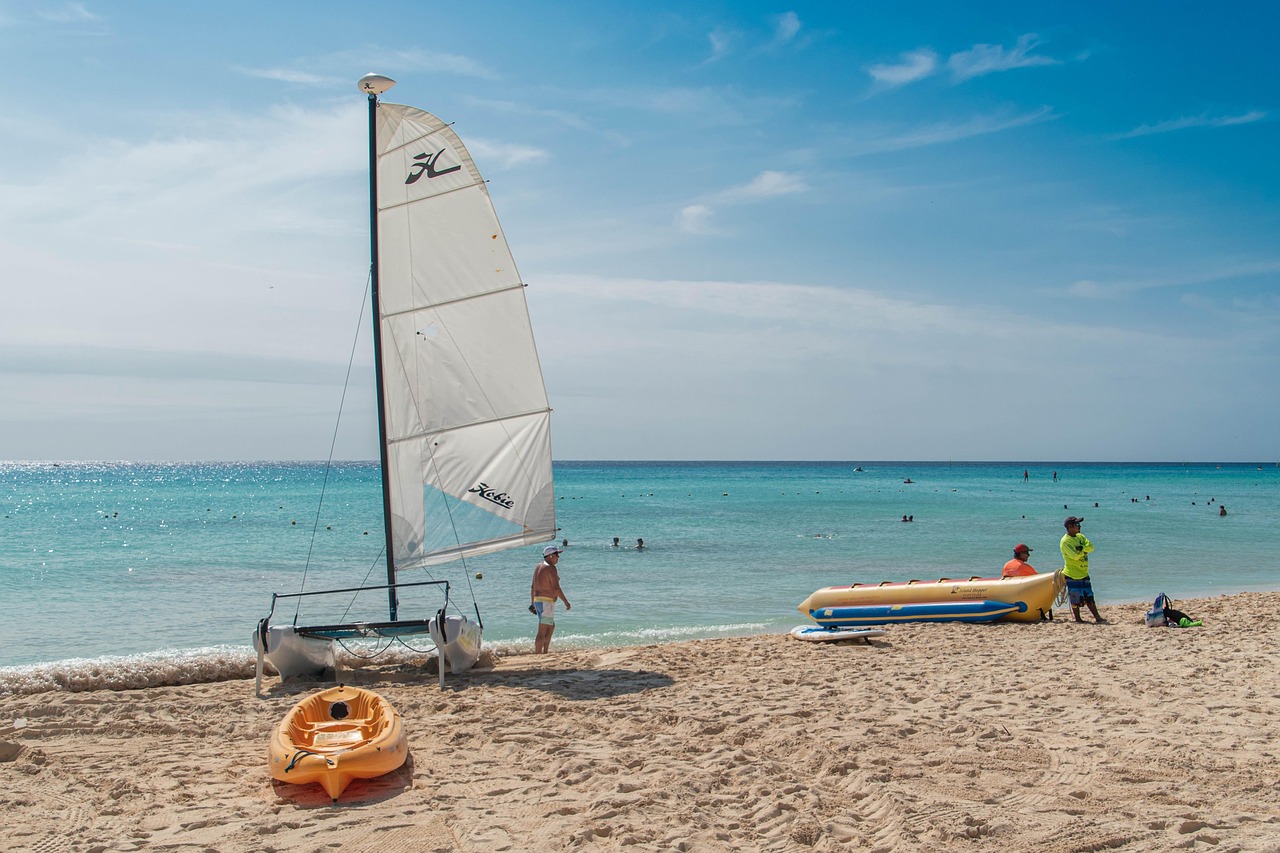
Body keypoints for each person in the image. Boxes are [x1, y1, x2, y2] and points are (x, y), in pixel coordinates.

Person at [1060, 516, 1104, 623]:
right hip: (1072, 574)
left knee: (1089, 596)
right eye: (1077, 524)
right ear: (1070, 526)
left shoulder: (1080, 536)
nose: (1080, 526)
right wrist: (1084, 551)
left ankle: (1097, 617)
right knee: (1075, 598)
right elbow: (1074, 556)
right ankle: (1078, 619)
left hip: (1084, 573)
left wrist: (1081, 549)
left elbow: (1091, 547)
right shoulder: (1065, 541)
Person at [530, 545, 570, 654]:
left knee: (550, 626)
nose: (558, 557)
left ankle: (545, 652)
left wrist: (532, 603)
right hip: (546, 602)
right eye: (557, 555)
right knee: (542, 630)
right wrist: (566, 602)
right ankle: (538, 654)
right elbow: (556, 588)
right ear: (550, 556)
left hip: (538, 601)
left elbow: (533, 587)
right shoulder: (551, 568)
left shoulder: (538, 566)